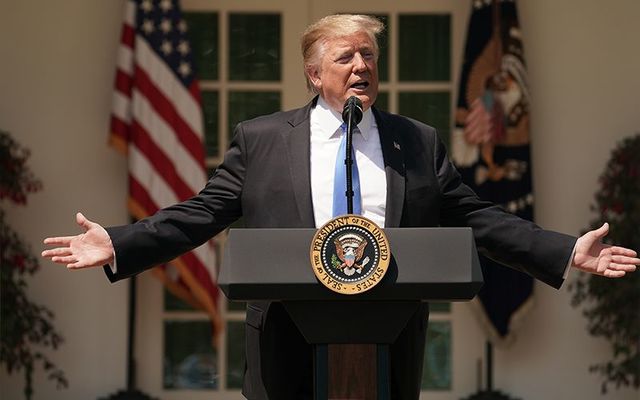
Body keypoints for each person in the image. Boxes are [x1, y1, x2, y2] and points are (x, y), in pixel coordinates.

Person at [42, 14, 638, 400]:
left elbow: (477, 217)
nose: (361, 67)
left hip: (388, 337)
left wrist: (563, 250)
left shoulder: (415, 142)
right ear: (313, 73)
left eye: (369, 57)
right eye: (346, 57)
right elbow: (203, 212)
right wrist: (119, 243)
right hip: (283, 339)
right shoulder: (263, 139)